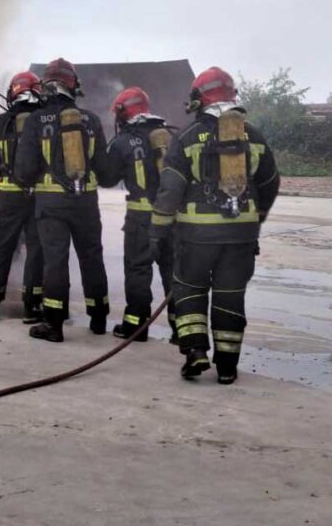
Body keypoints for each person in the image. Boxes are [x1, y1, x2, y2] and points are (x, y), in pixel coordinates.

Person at [149, 66, 280, 384]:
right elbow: (271, 182)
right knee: (230, 296)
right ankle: (227, 368)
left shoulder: (187, 138)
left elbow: (170, 191)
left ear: (199, 99)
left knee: (190, 291)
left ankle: (195, 354)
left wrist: (158, 230)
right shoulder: (255, 136)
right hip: (241, 237)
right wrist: (255, 219)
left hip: (195, 236)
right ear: (232, 97)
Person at [15, 58, 110, 342]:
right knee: (92, 257)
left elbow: (23, 171)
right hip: (86, 204)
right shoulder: (91, 120)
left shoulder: (36, 120)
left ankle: (53, 324)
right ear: (74, 86)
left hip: (51, 206)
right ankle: (98, 318)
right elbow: (105, 173)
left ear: (45, 86)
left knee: (55, 261)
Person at [102, 87, 177, 343]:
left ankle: (136, 326)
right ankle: (183, 330)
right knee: (173, 272)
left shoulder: (123, 142)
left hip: (141, 220)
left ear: (124, 112)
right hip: (173, 219)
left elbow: (108, 178)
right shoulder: (172, 137)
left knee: (138, 272)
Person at [0, 71, 44, 322]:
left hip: (9, 197)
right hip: (38, 196)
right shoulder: (44, 122)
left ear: (13, 93)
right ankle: (32, 307)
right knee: (36, 250)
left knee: (3, 248)